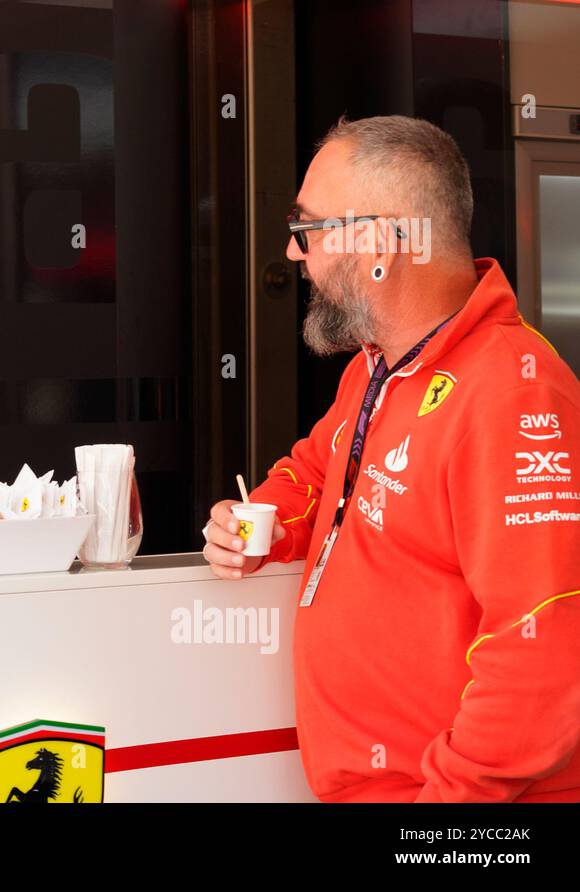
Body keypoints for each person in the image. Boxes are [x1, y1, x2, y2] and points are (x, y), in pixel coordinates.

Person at [203, 116, 580, 802]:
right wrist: (259, 522)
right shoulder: (379, 366)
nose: (295, 254)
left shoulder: (513, 394)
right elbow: (319, 471)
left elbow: (544, 649)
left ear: (379, 242)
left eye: (309, 229)